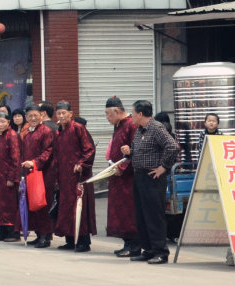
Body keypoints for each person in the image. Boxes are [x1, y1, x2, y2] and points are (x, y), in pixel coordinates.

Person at [35, 101, 97, 252]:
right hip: (63, 177)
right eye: (59, 113)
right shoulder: (58, 132)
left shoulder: (78, 128)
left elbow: (89, 149)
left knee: (79, 209)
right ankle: (70, 240)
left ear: (71, 114)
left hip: (77, 176)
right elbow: (55, 155)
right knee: (66, 209)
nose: (61, 116)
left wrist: (82, 163)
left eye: (64, 113)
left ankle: (83, 241)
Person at [125, 99, 180, 264]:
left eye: (133, 113)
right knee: (141, 215)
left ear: (140, 114)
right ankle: (148, 249)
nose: (132, 116)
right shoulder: (140, 130)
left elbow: (172, 146)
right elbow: (139, 150)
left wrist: (163, 167)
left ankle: (160, 252)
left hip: (152, 177)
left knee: (154, 215)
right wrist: (129, 151)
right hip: (139, 175)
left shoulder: (156, 128)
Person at [105, 97, 138, 257]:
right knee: (120, 211)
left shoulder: (131, 125)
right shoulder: (119, 126)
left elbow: (135, 150)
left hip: (128, 177)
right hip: (117, 175)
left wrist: (123, 167)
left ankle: (134, 245)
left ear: (116, 111)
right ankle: (127, 243)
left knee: (129, 211)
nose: (106, 117)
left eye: (108, 114)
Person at [20, 103, 56, 247]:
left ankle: (46, 236)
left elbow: (48, 151)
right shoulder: (28, 133)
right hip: (30, 173)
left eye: (36, 115)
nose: (33, 118)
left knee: (42, 203)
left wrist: (34, 163)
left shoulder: (46, 131)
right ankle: (39, 234)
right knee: (33, 203)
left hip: (43, 173)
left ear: (41, 115)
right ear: (26, 117)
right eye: (30, 116)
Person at [0, 111, 22, 241]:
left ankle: (13, 232)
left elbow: (16, 159)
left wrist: (12, 177)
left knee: (10, 205)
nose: (0, 124)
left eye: (3, 121)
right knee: (0, 205)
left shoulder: (12, 135)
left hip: (8, 178)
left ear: (8, 122)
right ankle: (2, 231)